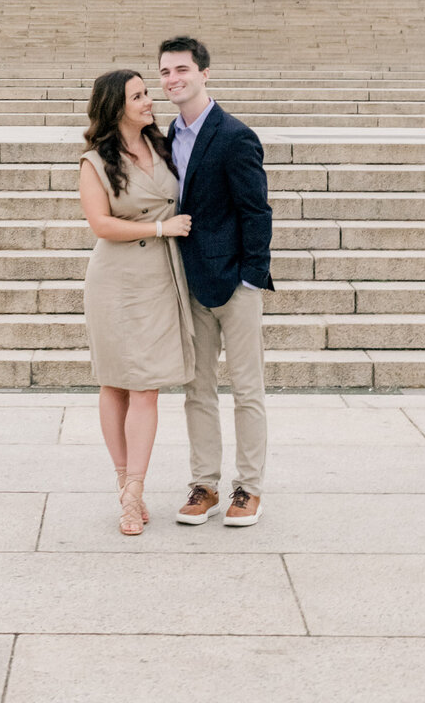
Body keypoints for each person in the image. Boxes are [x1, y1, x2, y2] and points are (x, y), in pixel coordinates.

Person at [160, 34, 273, 526]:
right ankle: (203, 484)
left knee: (247, 390)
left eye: (181, 70)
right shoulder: (167, 136)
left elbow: (257, 211)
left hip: (236, 284)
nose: (172, 79)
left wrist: (251, 277)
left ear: (204, 74)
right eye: (164, 72)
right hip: (189, 283)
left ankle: (248, 488)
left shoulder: (234, 135)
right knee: (197, 389)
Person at [79, 68, 195, 535]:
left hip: (161, 279)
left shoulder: (165, 146)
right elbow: (101, 225)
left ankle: (134, 489)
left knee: (147, 386)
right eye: (139, 96)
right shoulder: (94, 162)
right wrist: (158, 228)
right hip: (116, 282)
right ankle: (127, 487)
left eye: (147, 93)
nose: (150, 101)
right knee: (115, 383)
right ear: (116, 106)